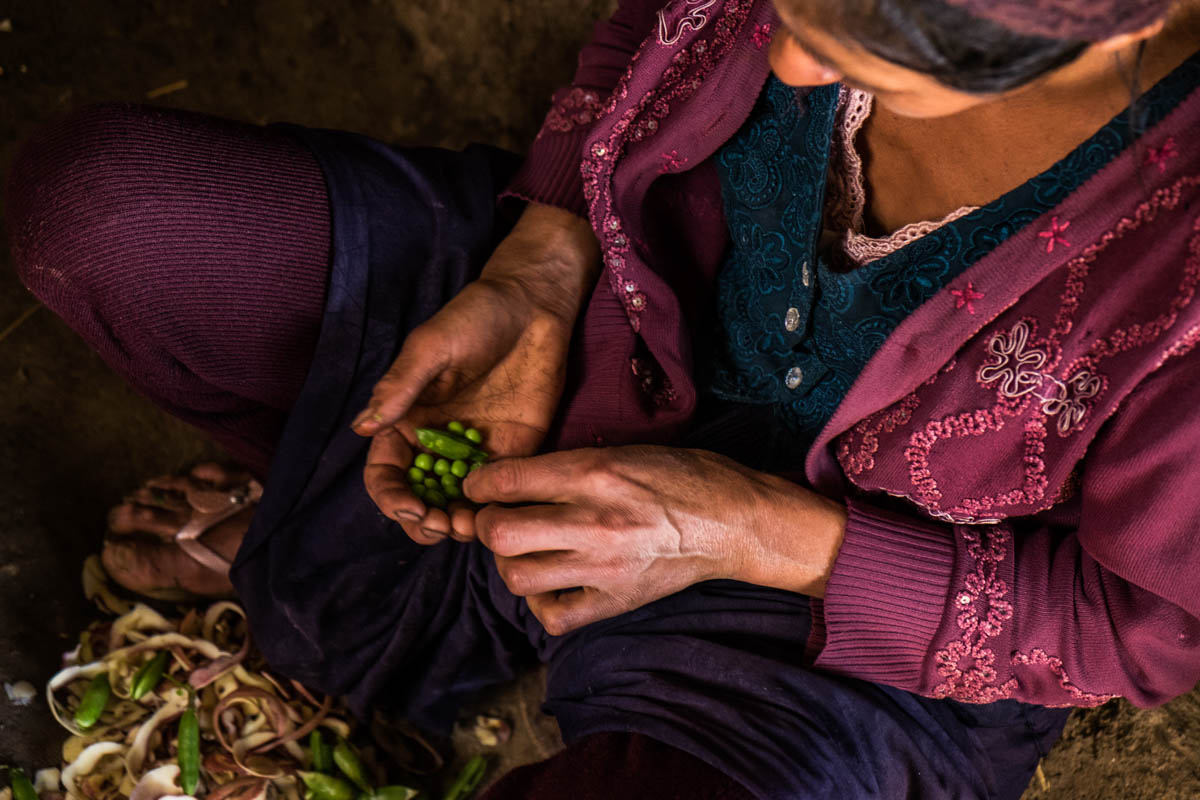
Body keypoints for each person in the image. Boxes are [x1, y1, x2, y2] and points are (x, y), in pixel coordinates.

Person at [7, 0, 1200, 796]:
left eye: (861, 51)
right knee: (102, 214)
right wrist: (544, 253)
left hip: (847, 605)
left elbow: (1137, 628)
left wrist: (736, 528)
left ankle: (331, 564)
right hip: (614, 319)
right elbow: (657, 30)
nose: (778, 60)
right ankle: (346, 568)